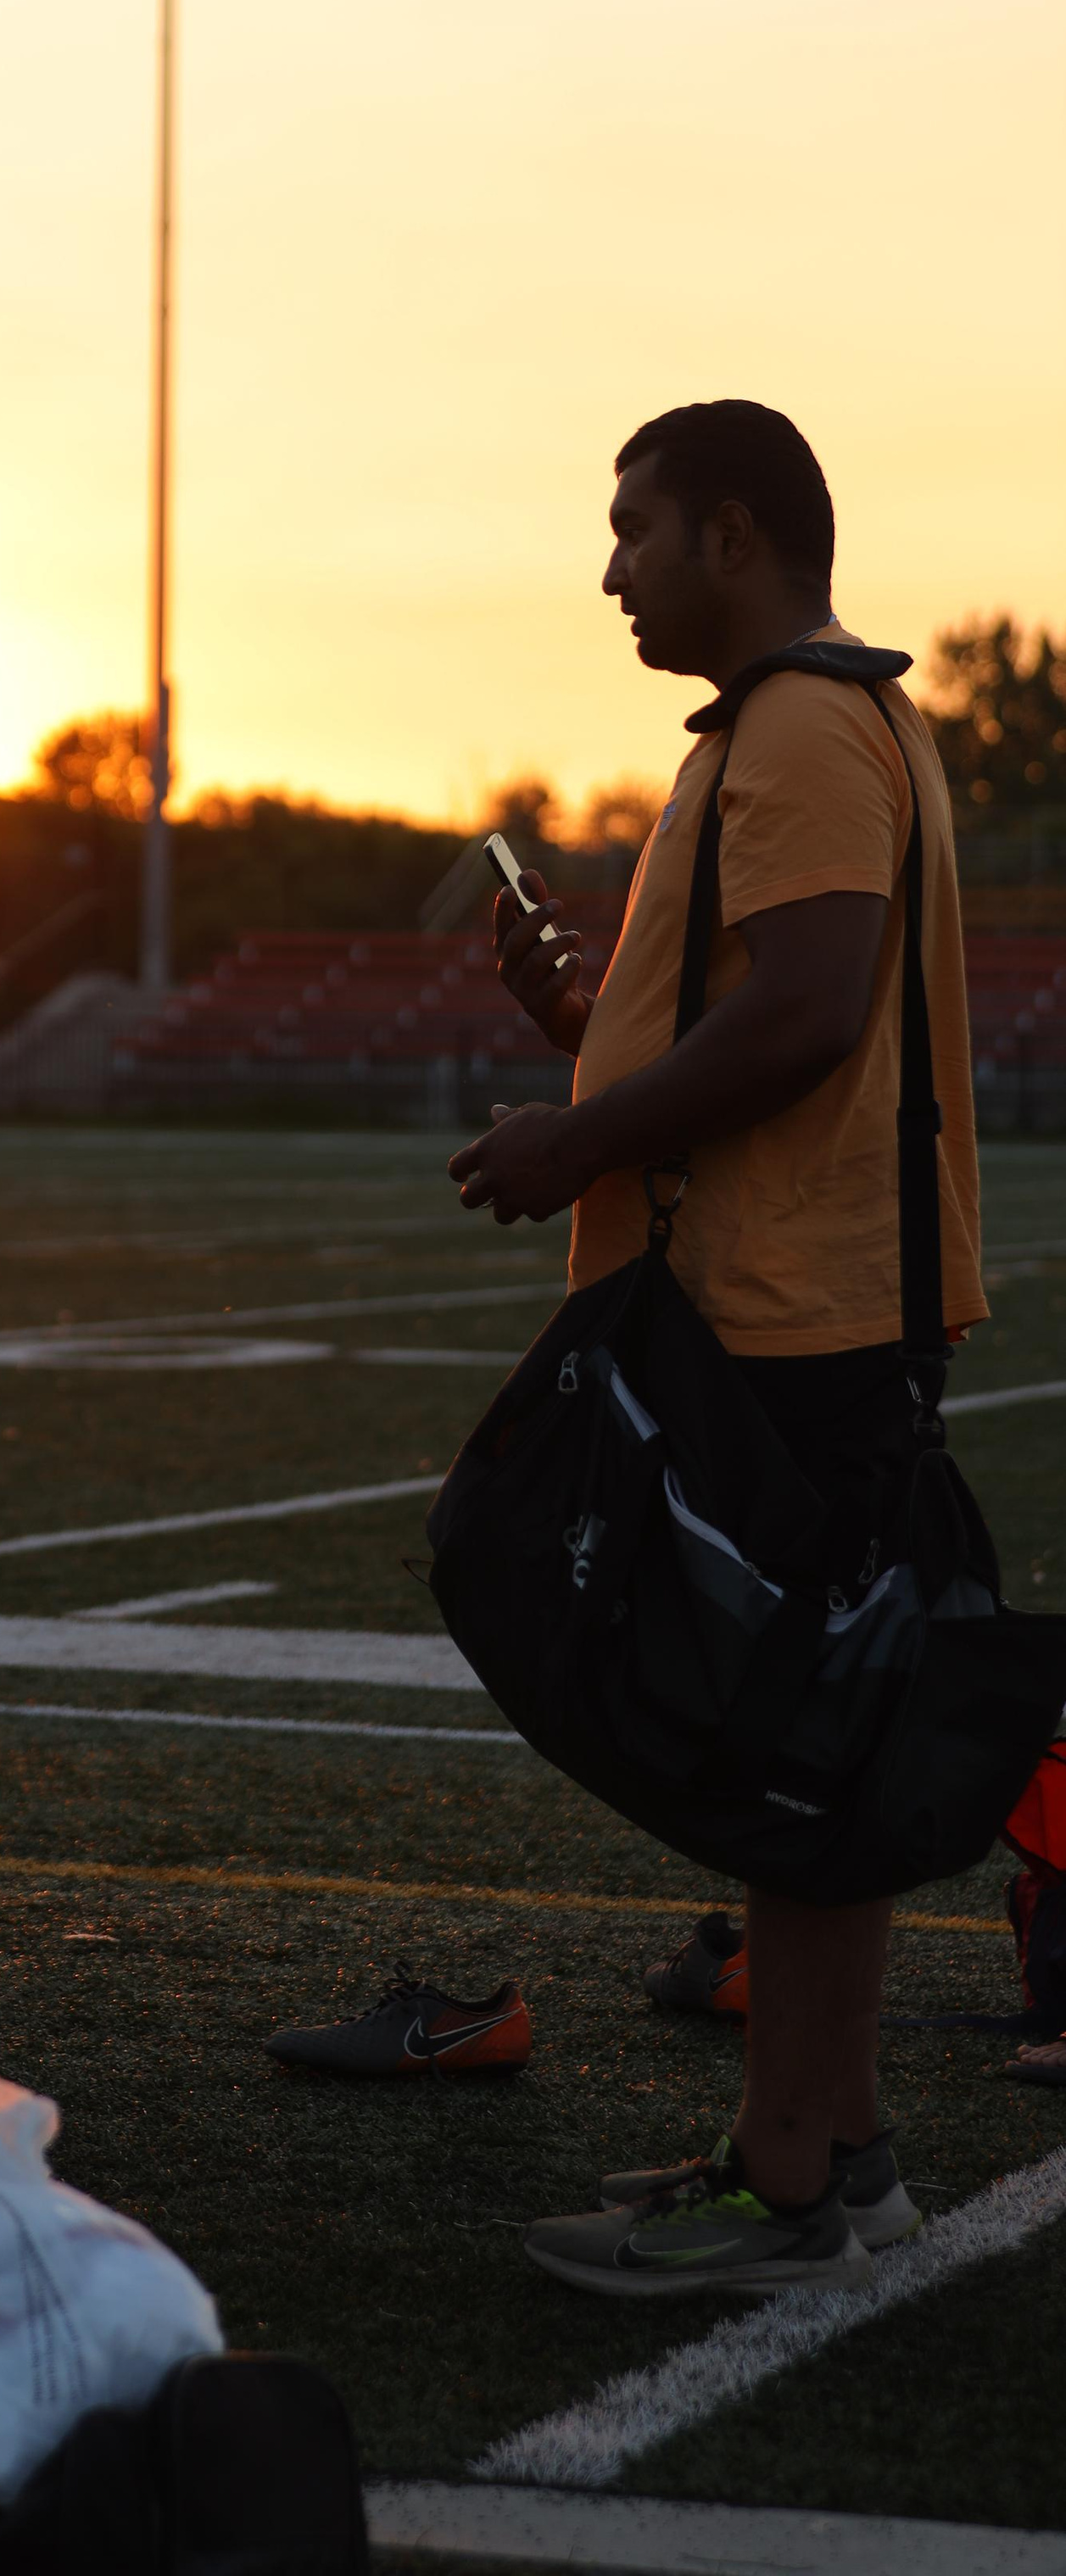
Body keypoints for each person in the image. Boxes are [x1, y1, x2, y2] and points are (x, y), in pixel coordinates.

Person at [448, 397, 986, 2298]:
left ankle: (782, 2184)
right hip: (800, 1300)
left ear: (734, 534)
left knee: (775, 1744)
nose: (608, 568)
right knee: (808, 1747)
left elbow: (810, 1020)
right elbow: (749, 1025)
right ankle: (824, 2157)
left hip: (789, 1314)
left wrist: (568, 1141)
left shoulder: (797, 727)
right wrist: (582, 1037)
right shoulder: (804, 726)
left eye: (633, 527)